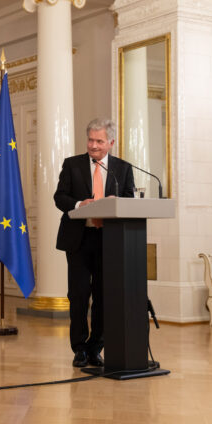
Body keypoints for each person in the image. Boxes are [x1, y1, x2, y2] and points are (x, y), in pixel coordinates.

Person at [54, 119, 135, 368]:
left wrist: (116, 201)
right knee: (78, 296)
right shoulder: (72, 164)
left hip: (109, 239)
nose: (93, 145)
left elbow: (130, 199)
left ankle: (95, 348)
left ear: (111, 142)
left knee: (103, 296)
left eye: (99, 141)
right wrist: (80, 204)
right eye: (90, 139)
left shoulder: (122, 168)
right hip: (79, 239)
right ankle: (78, 348)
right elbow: (60, 197)